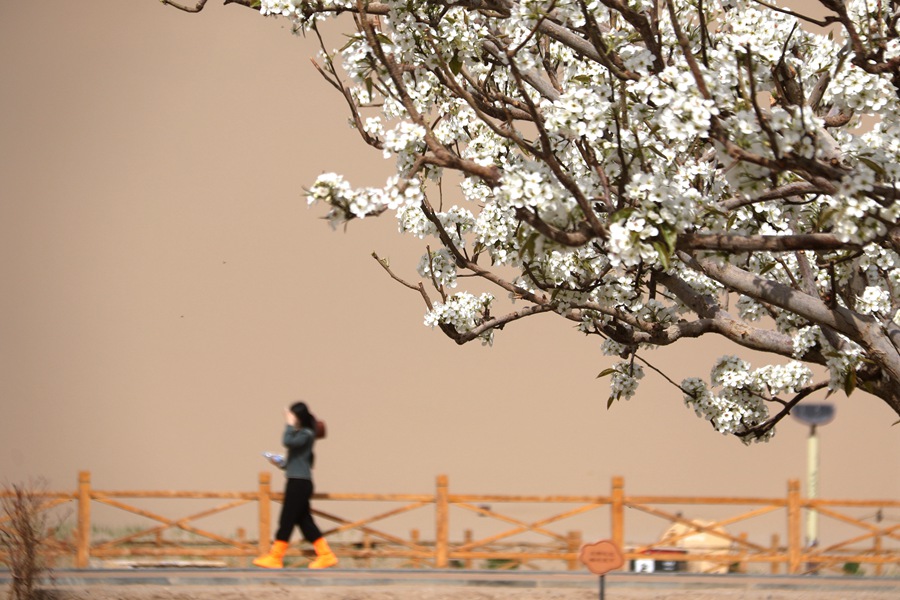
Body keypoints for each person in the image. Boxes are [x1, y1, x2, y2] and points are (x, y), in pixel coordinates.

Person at [253, 401, 338, 569]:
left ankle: (275, 557)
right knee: (304, 522)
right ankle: (326, 555)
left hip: (299, 484)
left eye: (292, 415)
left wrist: (289, 424)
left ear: (298, 417)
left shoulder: (306, 434)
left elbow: (287, 441)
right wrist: (280, 463)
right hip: (297, 481)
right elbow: (297, 460)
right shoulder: (303, 434)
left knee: (286, 520)